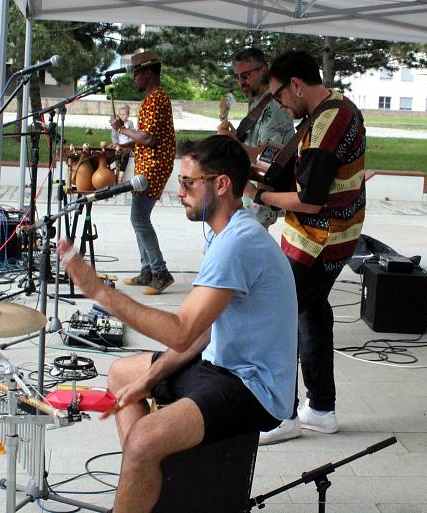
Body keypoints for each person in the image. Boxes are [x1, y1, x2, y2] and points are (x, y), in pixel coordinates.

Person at [57, 135, 298, 513]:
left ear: (221, 184)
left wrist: (101, 294)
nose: (179, 191)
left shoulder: (239, 242)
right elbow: (202, 331)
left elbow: (182, 329)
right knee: (123, 376)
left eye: (188, 182)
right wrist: (148, 380)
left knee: (142, 440)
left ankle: (143, 467)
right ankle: (148, 482)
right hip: (219, 363)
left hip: (254, 386)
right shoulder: (224, 233)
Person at [245, 50, 366, 445]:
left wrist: (260, 197)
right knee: (312, 314)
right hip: (332, 237)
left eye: (279, 93)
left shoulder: (327, 125)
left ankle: (281, 415)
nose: (279, 102)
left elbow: (310, 200)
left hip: (319, 241)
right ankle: (321, 409)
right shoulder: (338, 106)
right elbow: (307, 174)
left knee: (278, 318)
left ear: (296, 84)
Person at [110, 51, 177, 295]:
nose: (134, 79)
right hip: (150, 165)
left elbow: (149, 138)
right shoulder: (153, 99)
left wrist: (121, 129)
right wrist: (123, 141)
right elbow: (147, 137)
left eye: (136, 74)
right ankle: (147, 270)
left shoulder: (156, 99)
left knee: (139, 218)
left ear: (148, 73)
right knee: (138, 218)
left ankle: (160, 272)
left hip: (154, 167)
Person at [217, 48, 295, 228]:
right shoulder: (258, 102)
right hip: (249, 194)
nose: (240, 82)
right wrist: (235, 136)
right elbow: (257, 143)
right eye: (237, 77)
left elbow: (268, 158)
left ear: (263, 70)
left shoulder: (275, 108)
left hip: (259, 198)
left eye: (245, 76)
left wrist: (233, 142)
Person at [111, 104, 135, 173]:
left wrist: (130, 146)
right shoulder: (117, 124)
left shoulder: (130, 123)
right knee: (116, 154)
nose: (121, 116)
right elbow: (113, 136)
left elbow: (132, 135)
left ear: (127, 115)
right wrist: (116, 144)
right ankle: (115, 167)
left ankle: (122, 171)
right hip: (119, 144)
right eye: (120, 114)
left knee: (125, 155)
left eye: (124, 114)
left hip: (127, 145)